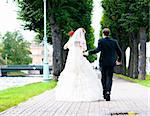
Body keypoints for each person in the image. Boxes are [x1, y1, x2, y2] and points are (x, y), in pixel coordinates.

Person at [54, 28, 102, 101]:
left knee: (71, 74)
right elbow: (84, 48)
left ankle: (68, 93)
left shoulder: (72, 40)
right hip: (79, 58)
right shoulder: (81, 41)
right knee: (84, 73)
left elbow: (65, 47)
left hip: (71, 60)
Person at [84, 28, 122, 101]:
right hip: (111, 62)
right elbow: (119, 52)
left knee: (103, 78)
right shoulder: (114, 42)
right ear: (109, 33)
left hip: (103, 62)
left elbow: (97, 50)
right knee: (109, 77)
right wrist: (118, 60)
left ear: (103, 33)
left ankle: (104, 92)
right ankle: (108, 92)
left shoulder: (101, 41)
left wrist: (88, 52)